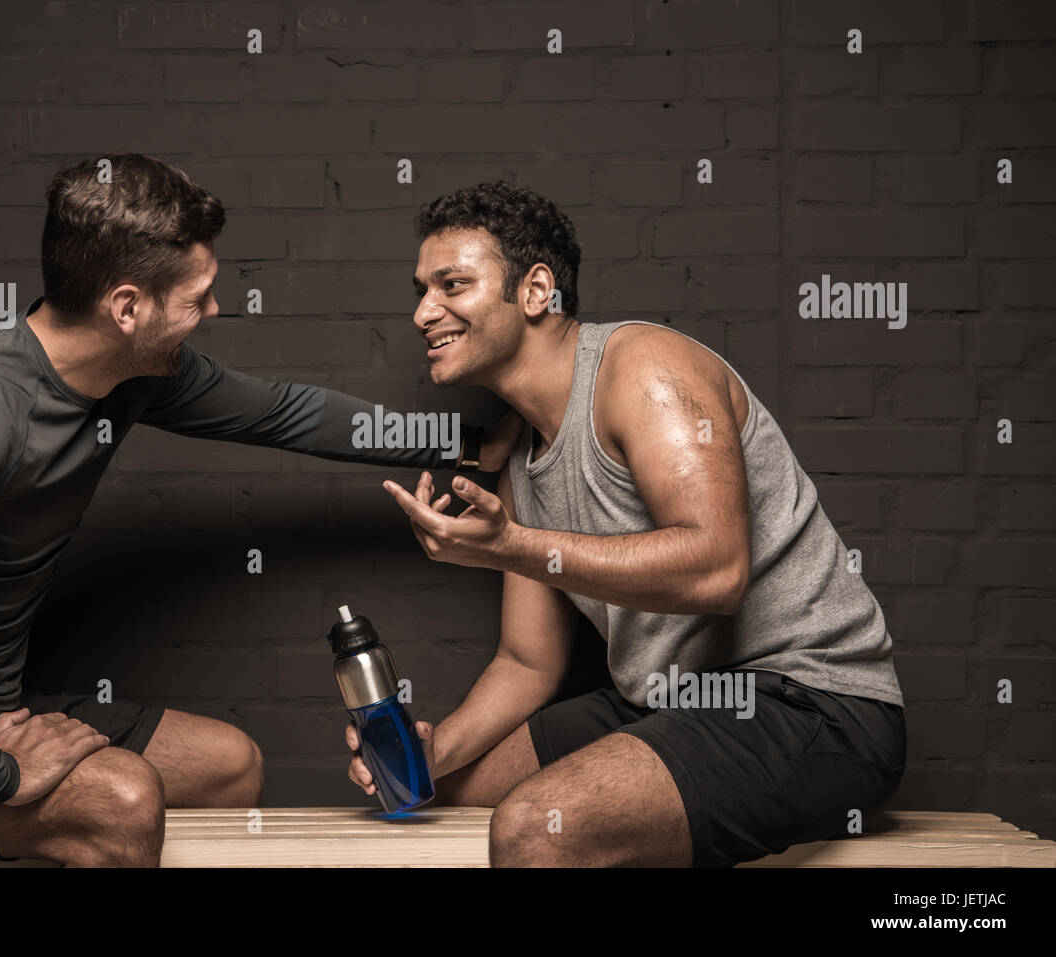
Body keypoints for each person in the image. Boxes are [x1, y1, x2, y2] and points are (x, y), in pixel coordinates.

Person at [0, 153, 515, 867]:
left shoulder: (136, 373)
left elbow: (286, 412)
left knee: (230, 767)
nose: (215, 308)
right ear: (127, 306)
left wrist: (469, 443)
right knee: (120, 801)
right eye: (197, 296)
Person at [345, 181, 906, 868]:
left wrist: (513, 547)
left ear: (535, 289)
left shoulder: (644, 370)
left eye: (452, 285)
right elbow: (528, 662)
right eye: (420, 290)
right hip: (663, 700)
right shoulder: (522, 457)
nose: (423, 311)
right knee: (445, 788)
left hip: (809, 702)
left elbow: (717, 569)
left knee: (534, 828)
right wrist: (429, 752)